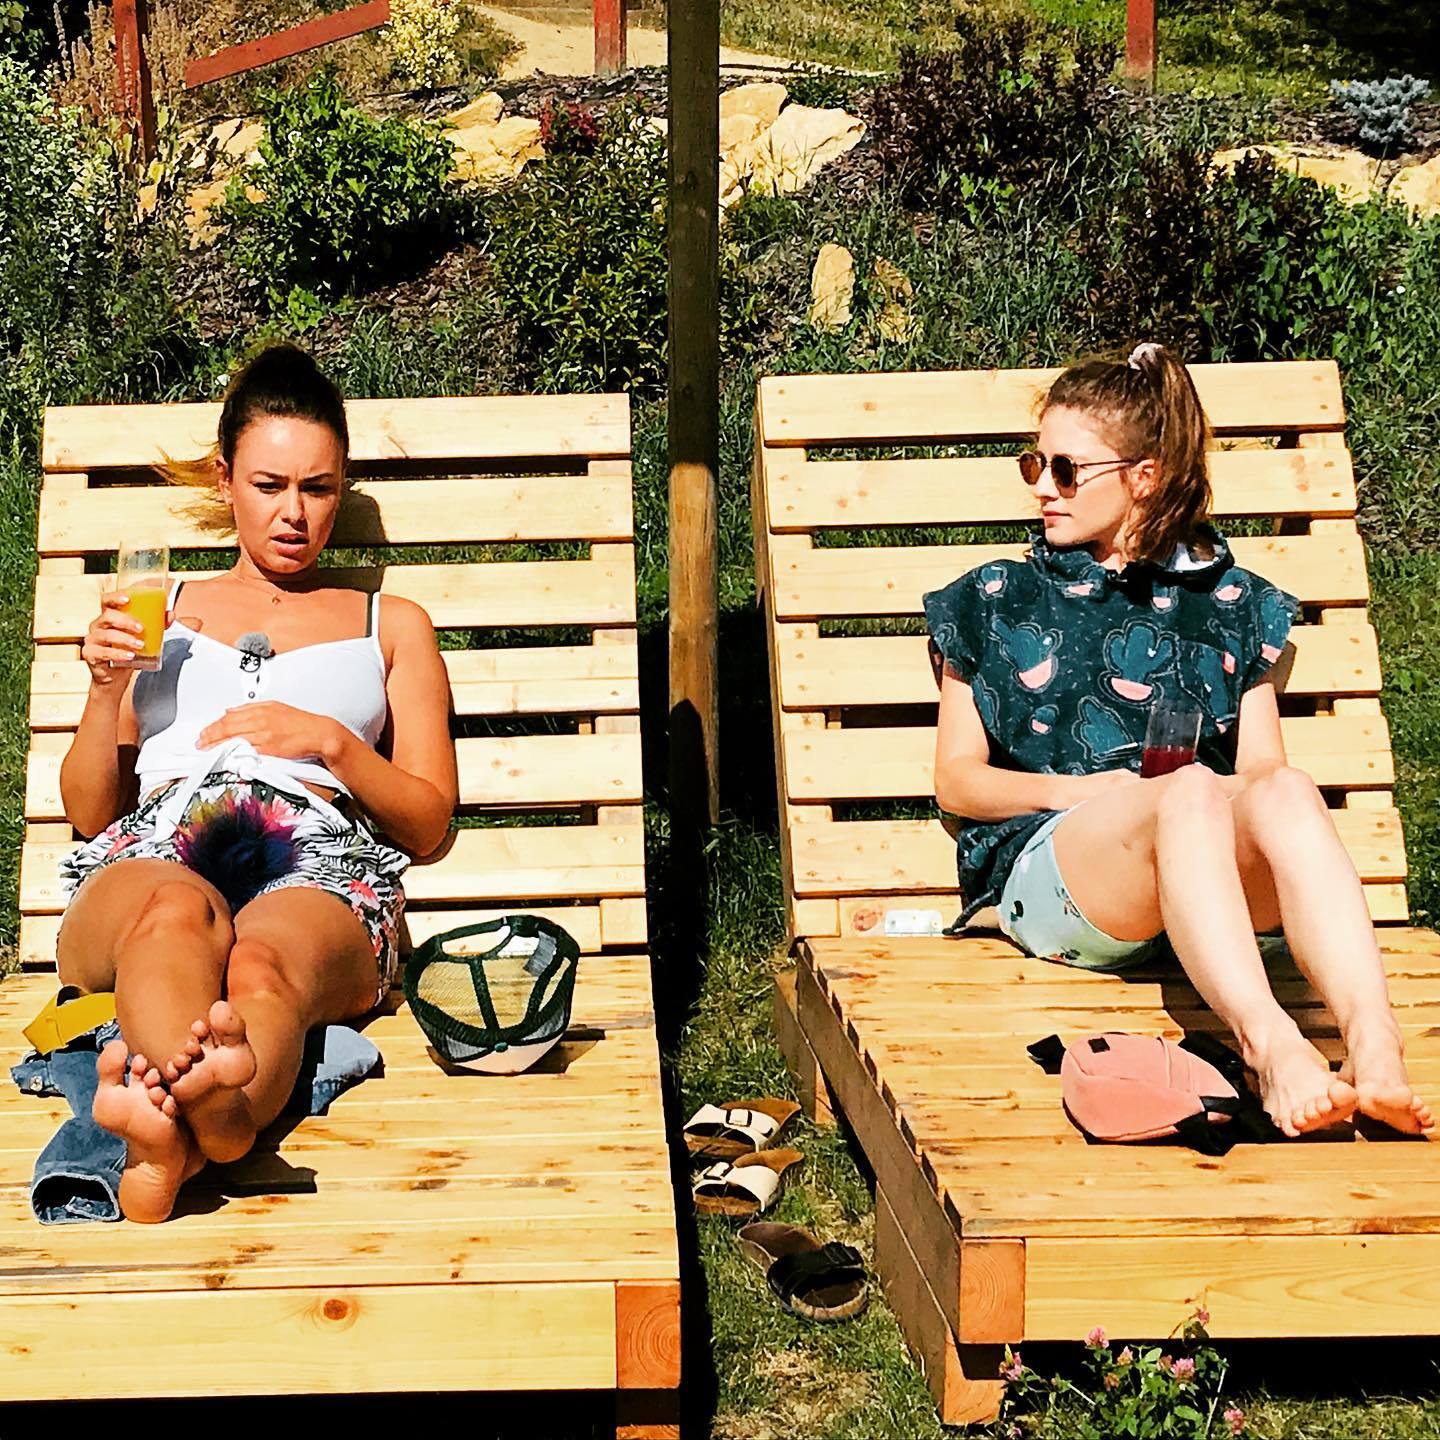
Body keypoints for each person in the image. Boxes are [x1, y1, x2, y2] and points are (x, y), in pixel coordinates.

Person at [925, 342, 1431, 1140]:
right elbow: (957, 782)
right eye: (1035, 465)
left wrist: (1200, 798)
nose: (1043, 488)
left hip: (1197, 877)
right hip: (1062, 878)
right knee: (1191, 787)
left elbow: (1261, 771)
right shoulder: (996, 597)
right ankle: (1272, 1049)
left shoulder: (1232, 604)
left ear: (1144, 477)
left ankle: (1375, 1047)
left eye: (1066, 470)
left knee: (1285, 789)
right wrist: (1086, 792)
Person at [56, 343, 458, 1221]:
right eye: (269, 485)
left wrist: (331, 743)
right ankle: (214, 1118)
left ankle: (179, 1136)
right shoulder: (160, 609)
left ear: (341, 489)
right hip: (159, 845)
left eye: (318, 488)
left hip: (314, 856)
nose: (293, 514)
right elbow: (90, 815)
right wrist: (104, 691)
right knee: (176, 911)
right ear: (225, 478)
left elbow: (428, 822)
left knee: (263, 963)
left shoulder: (390, 624)